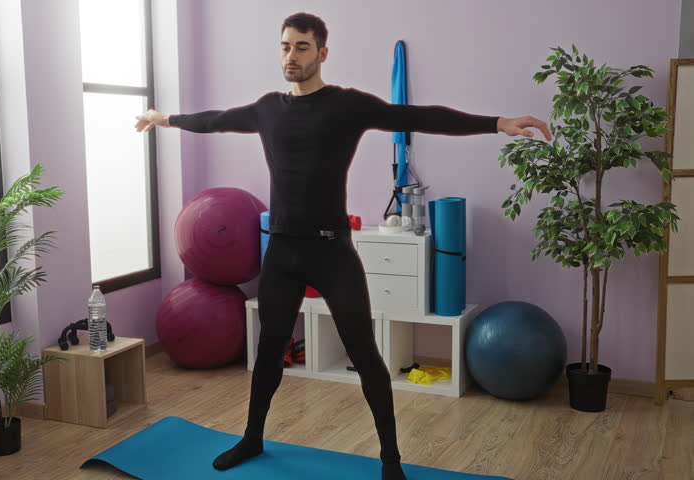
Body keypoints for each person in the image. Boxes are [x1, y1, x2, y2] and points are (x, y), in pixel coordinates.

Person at [134, 12, 551, 480]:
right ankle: (252, 439)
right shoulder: (268, 108)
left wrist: (498, 123)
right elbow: (215, 120)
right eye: (286, 46)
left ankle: (390, 459)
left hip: (333, 253)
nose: (291, 56)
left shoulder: (347, 106)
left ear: (323, 53)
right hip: (283, 254)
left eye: (302, 47)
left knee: (366, 354)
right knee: (269, 350)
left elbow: (419, 116)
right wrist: (165, 119)